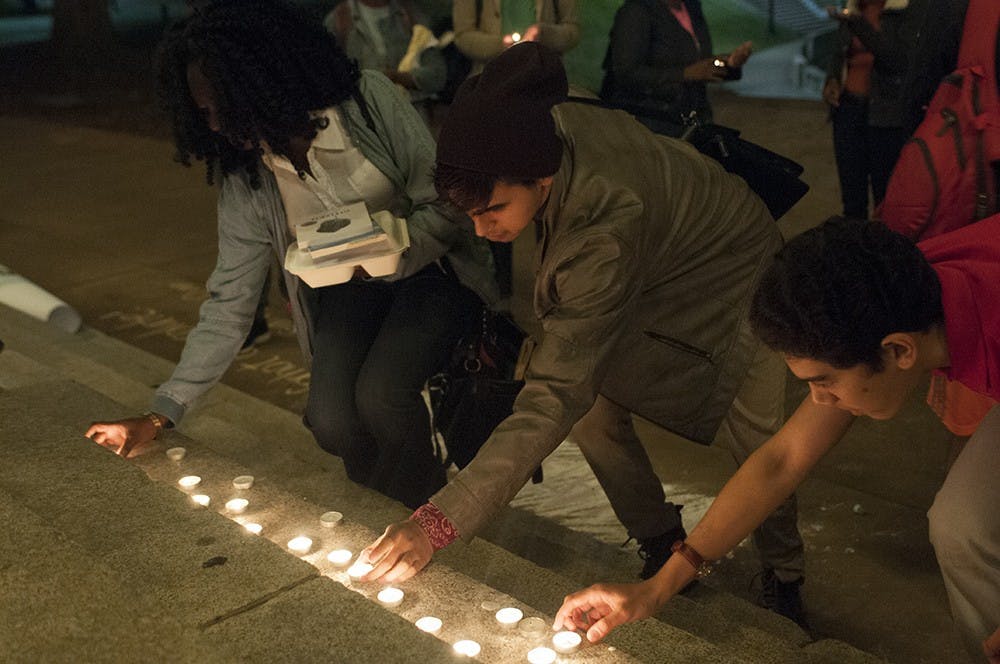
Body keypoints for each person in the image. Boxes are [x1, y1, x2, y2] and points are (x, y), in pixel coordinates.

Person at [356, 42, 808, 625]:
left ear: (541, 178)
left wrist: (438, 522)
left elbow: (552, 395)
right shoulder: (535, 118)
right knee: (593, 411)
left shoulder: (601, 235)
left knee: (760, 440)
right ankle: (660, 537)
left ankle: (785, 575)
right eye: (470, 215)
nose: (482, 229)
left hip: (739, 270)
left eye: (493, 209)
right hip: (657, 259)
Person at [84, 0, 497, 509]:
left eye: (217, 107)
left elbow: (447, 203)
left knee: (382, 396)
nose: (212, 126)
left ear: (259, 83)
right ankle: (384, 512)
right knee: (331, 419)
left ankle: (425, 519)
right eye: (202, 114)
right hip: (348, 292)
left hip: (433, 272)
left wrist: (397, 249)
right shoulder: (248, 174)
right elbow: (230, 301)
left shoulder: (366, 102)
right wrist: (161, 413)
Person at [555, 216, 1000, 663]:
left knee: (970, 523)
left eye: (825, 381)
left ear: (900, 350)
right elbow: (782, 460)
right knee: (963, 524)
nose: (819, 401)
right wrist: (658, 587)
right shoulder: (901, 297)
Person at [822, 0, 926, 219]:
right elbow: (840, 53)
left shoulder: (907, 8)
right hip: (847, 110)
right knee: (852, 202)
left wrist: (858, 23)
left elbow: (898, 60)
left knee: (885, 201)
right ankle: (854, 241)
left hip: (886, 115)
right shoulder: (855, 6)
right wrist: (832, 79)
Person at [600, 0, 752, 135]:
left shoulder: (691, 7)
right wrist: (685, 74)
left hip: (692, 121)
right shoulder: (636, 11)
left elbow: (698, 64)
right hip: (651, 125)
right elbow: (626, 73)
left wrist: (730, 63)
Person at [324, 0, 447, 109]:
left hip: (412, 115)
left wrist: (400, 78)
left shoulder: (411, 15)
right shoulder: (338, 20)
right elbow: (329, 82)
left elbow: (437, 75)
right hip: (364, 119)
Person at [452, 0, 579, 76]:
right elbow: (462, 36)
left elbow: (573, 30)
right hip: (491, 81)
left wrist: (543, 34)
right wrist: (503, 45)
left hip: (541, 80)